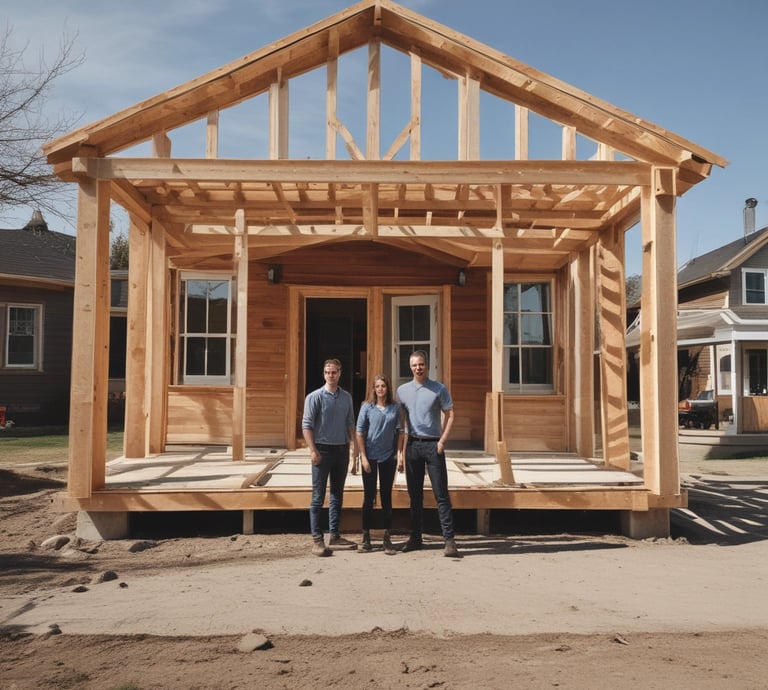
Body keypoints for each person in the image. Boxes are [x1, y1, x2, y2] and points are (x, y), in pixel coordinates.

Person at [396, 350, 460, 558]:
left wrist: (442, 441)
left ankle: (449, 541)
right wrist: (400, 452)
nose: (418, 368)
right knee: (415, 496)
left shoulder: (438, 389)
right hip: (413, 446)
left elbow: (450, 415)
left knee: (441, 494)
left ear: (427, 365)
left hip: (433, 446)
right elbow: (401, 423)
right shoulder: (402, 391)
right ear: (410, 366)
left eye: (421, 364)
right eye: (414, 365)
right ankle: (415, 538)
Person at [302, 358, 359, 557]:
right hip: (322, 451)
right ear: (324, 374)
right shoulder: (315, 397)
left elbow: (351, 423)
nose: (330, 375)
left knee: (337, 495)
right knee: (318, 497)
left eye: (334, 372)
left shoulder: (346, 398)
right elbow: (307, 425)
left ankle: (334, 534)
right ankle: (317, 540)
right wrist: (312, 450)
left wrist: (355, 450)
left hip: (341, 450)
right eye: (327, 372)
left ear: (340, 373)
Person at [355, 374, 405, 555]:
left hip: (387, 458)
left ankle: (387, 537)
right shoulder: (366, 408)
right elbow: (360, 432)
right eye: (377, 386)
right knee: (369, 497)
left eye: (383, 386)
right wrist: (364, 457)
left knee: (386, 496)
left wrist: (400, 455)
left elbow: (400, 432)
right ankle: (366, 537)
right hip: (370, 457)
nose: (381, 389)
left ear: (387, 388)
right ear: (374, 389)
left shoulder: (395, 408)